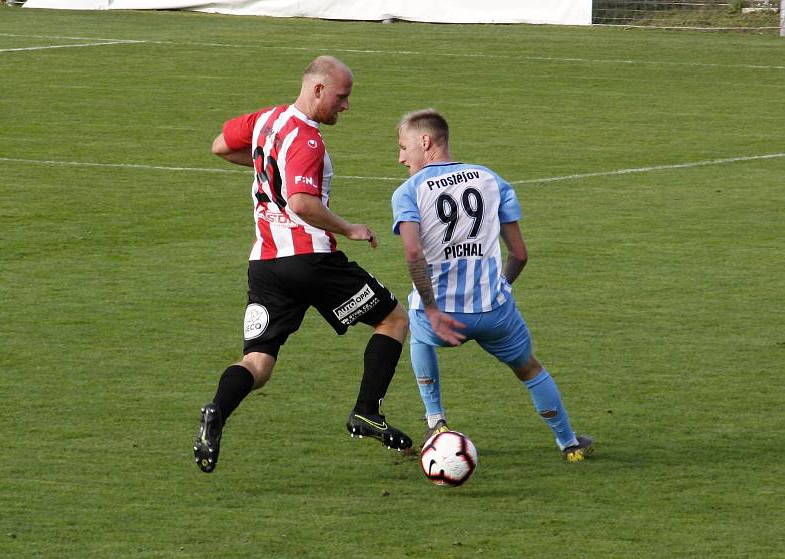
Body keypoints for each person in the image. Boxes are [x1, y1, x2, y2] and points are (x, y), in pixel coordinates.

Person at [193, 55, 413, 474]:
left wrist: (265, 161)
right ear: (318, 90)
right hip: (311, 261)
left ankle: (217, 410)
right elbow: (301, 203)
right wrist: (349, 229)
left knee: (258, 362)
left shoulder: (265, 120)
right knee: (393, 320)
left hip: (265, 266)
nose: (345, 106)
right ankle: (366, 411)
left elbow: (220, 146)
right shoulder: (308, 141)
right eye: (342, 97)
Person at [390, 109, 594, 462]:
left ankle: (436, 422)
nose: (401, 157)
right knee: (529, 368)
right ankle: (568, 443)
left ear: (425, 141)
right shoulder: (491, 179)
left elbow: (412, 253)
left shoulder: (409, 191)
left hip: (442, 316)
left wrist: (433, 309)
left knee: (417, 325)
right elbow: (520, 254)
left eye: (403, 146)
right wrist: (499, 289)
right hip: (494, 311)